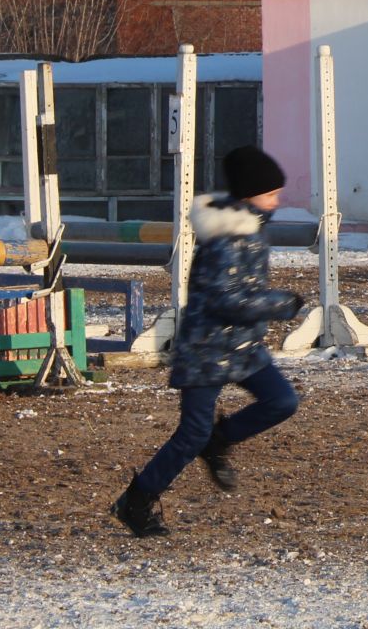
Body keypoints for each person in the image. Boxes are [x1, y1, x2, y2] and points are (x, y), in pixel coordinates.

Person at [112, 145, 305, 538]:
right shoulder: (227, 238)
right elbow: (225, 299)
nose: (277, 201)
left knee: (282, 401)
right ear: (249, 195)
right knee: (191, 435)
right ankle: (137, 499)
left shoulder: (247, 230)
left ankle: (220, 440)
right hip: (206, 350)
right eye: (271, 194)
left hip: (242, 347)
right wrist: (281, 303)